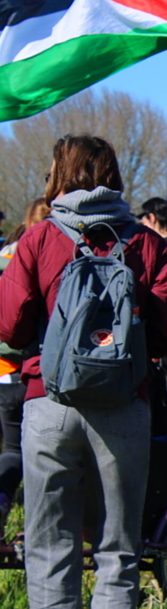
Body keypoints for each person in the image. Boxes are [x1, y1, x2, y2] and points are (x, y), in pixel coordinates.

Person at [0, 135, 167, 609]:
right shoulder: (144, 243)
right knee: (119, 548)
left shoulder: (38, 238)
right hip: (125, 408)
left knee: (50, 549)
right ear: (113, 176)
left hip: (49, 403)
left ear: (58, 175)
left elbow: (8, 325)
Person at [0, 198, 49, 538]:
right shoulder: (50, 252)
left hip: (3, 369)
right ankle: (37, 530)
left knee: (12, 450)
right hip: (32, 370)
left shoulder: (7, 253)